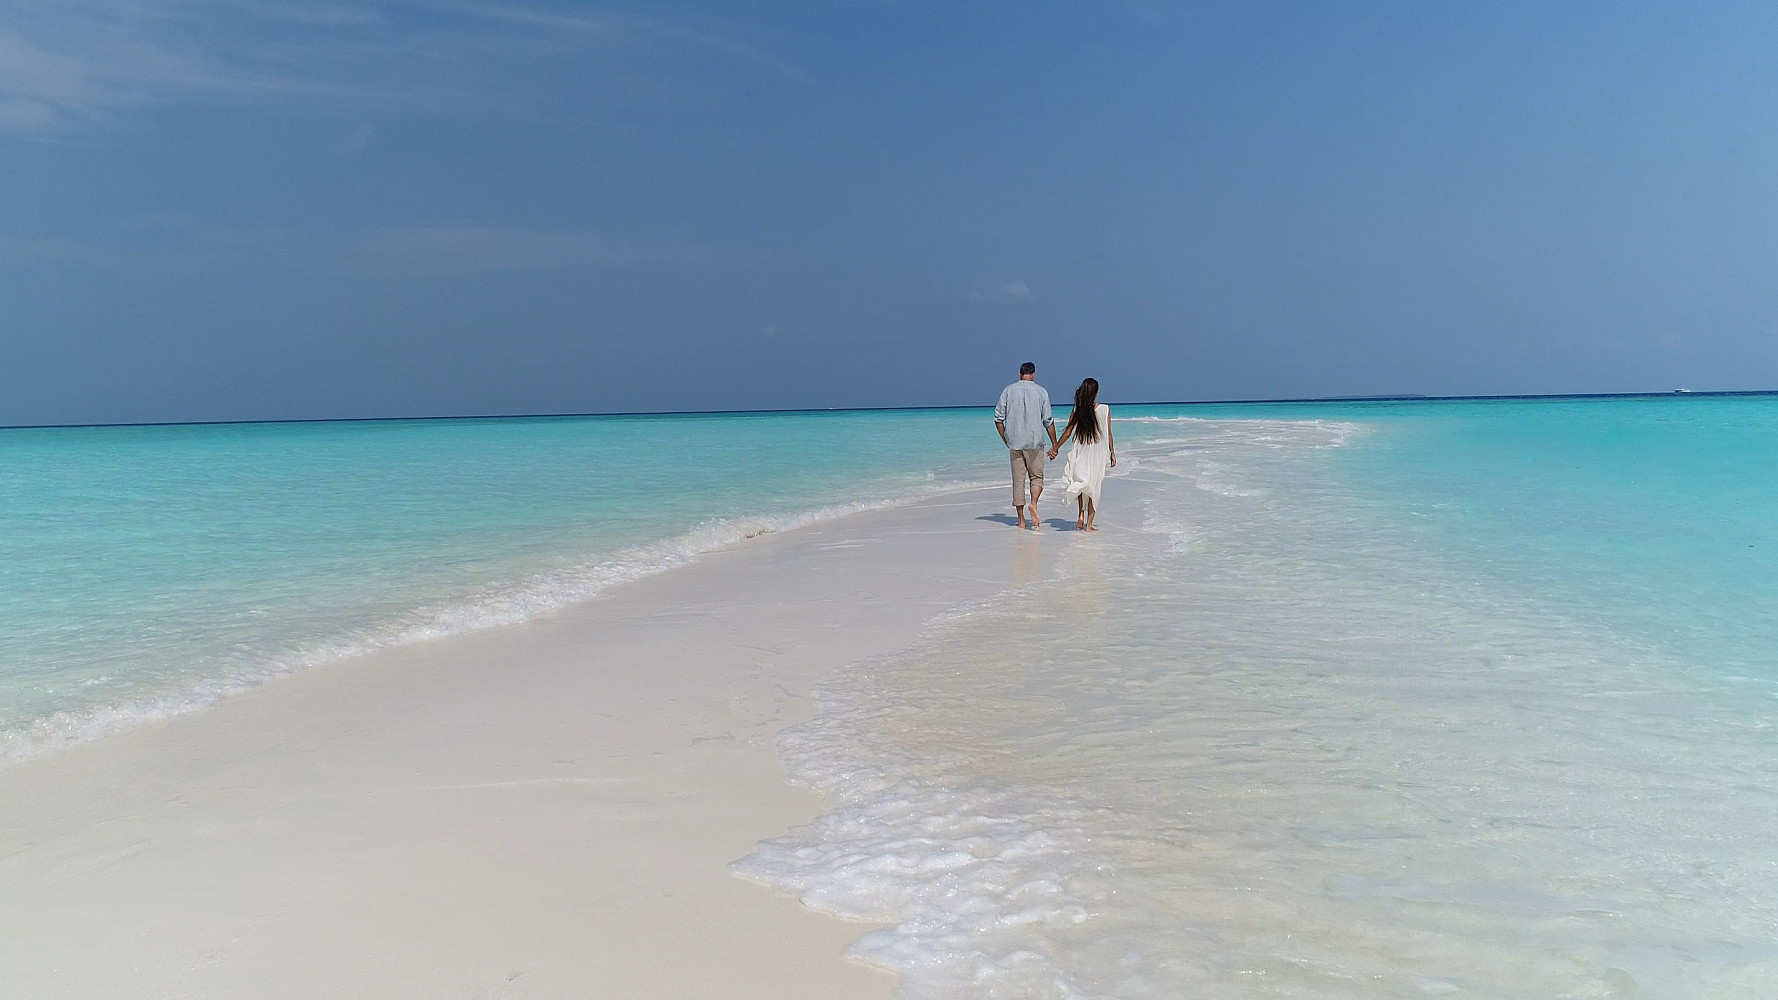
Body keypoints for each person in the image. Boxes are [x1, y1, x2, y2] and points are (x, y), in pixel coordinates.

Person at [994, 361, 1060, 530]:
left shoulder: (1008, 391)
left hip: (1015, 443)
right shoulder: (1041, 392)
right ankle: (1034, 504)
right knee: (1036, 477)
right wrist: (1055, 443)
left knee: (1018, 481)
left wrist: (1005, 438)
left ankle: (1021, 520)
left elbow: (998, 418)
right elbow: (1048, 421)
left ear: (1019, 374)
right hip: (1034, 442)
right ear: (1034, 374)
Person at [1050, 377, 1114, 531]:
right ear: (1096, 392)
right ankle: (1089, 526)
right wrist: (1112, 453)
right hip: (1098, 453)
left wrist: (1056, 447)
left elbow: (1068, 432)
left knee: (1081, 481)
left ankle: (1080, 516)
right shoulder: (1105, 409)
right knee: (1094, 486)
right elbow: (1109, 433)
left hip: (1081, 450)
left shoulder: (1078, 410)